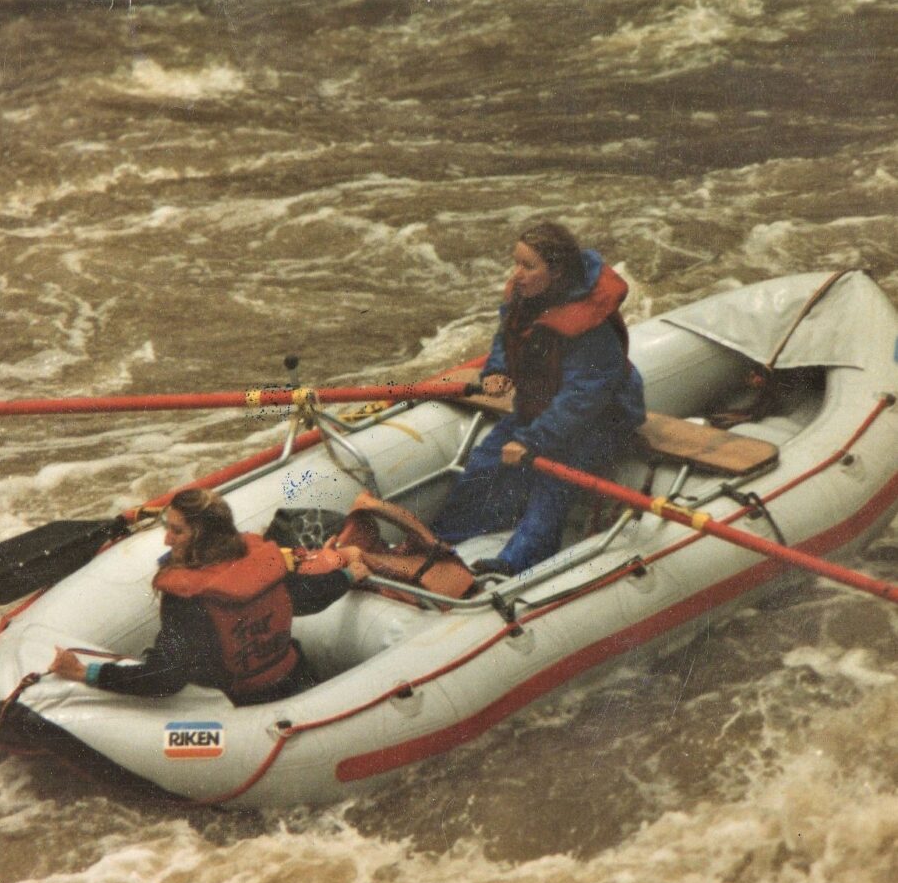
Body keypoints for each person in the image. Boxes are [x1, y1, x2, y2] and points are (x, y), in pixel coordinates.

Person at [431, 222, 646, 574]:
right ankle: (443, 538)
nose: (517, 275)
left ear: (557, 272)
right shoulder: (525, 298)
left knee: (553, 482)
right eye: (516, 263)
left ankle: (515, 564)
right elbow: (506, 339)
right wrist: (498, 372)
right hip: (541, 407)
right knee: (484, 461)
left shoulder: (591, 328)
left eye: (528, 267)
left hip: (601, 419)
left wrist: (533, 441)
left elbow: (583, 398)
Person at [50, 489, 369, 706]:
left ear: (202, 536)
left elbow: (166, 676)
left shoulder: (188, 599)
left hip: (242, 703)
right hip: (295, 678)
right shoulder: (265, 561)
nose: (166, 538)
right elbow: (305, 596)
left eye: (177, 531)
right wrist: (346, 575)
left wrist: (85, 673)